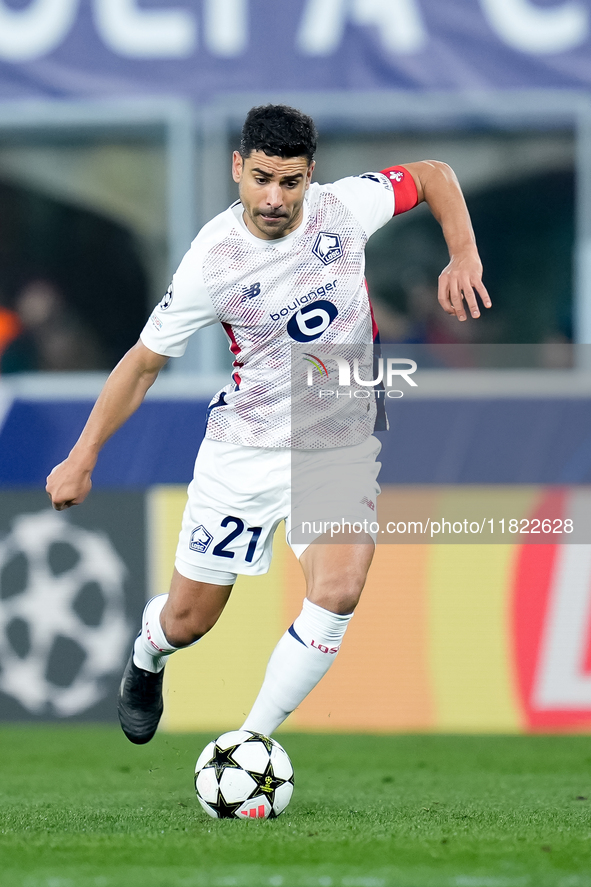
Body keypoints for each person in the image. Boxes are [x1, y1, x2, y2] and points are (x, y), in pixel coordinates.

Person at [46, 104, 490, 744]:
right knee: (189, 620)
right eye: (260, 179)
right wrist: (83, 454)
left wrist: (463, 255)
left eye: (289, 181)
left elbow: (435, 175)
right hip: (242, 453)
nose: (274, 198)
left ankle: (249, 743)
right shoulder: (212, 261)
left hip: (335, 445)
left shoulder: (346, 208)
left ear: (312, 174)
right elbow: (143, 364)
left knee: (338, 589)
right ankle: (147, 654)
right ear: (237, 168)